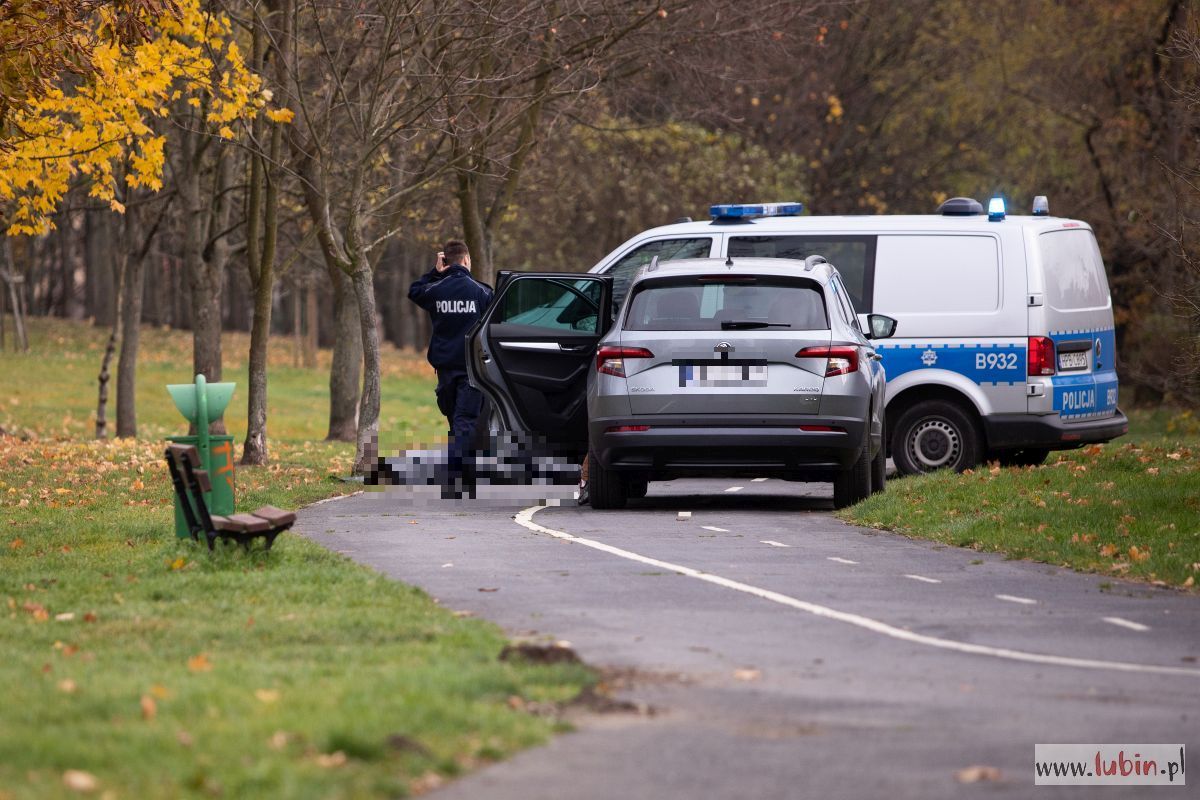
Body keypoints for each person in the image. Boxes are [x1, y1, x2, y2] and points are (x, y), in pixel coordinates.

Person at [407, 240, 493, 497]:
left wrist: (435, 272)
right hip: (471, 367)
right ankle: (460, 477)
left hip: (444, 369)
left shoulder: (436, 288)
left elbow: (414, 291)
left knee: (457, 420)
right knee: (463, 421)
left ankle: (463, 476)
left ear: (446, 261)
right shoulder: (482, 292)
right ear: (466, 260)